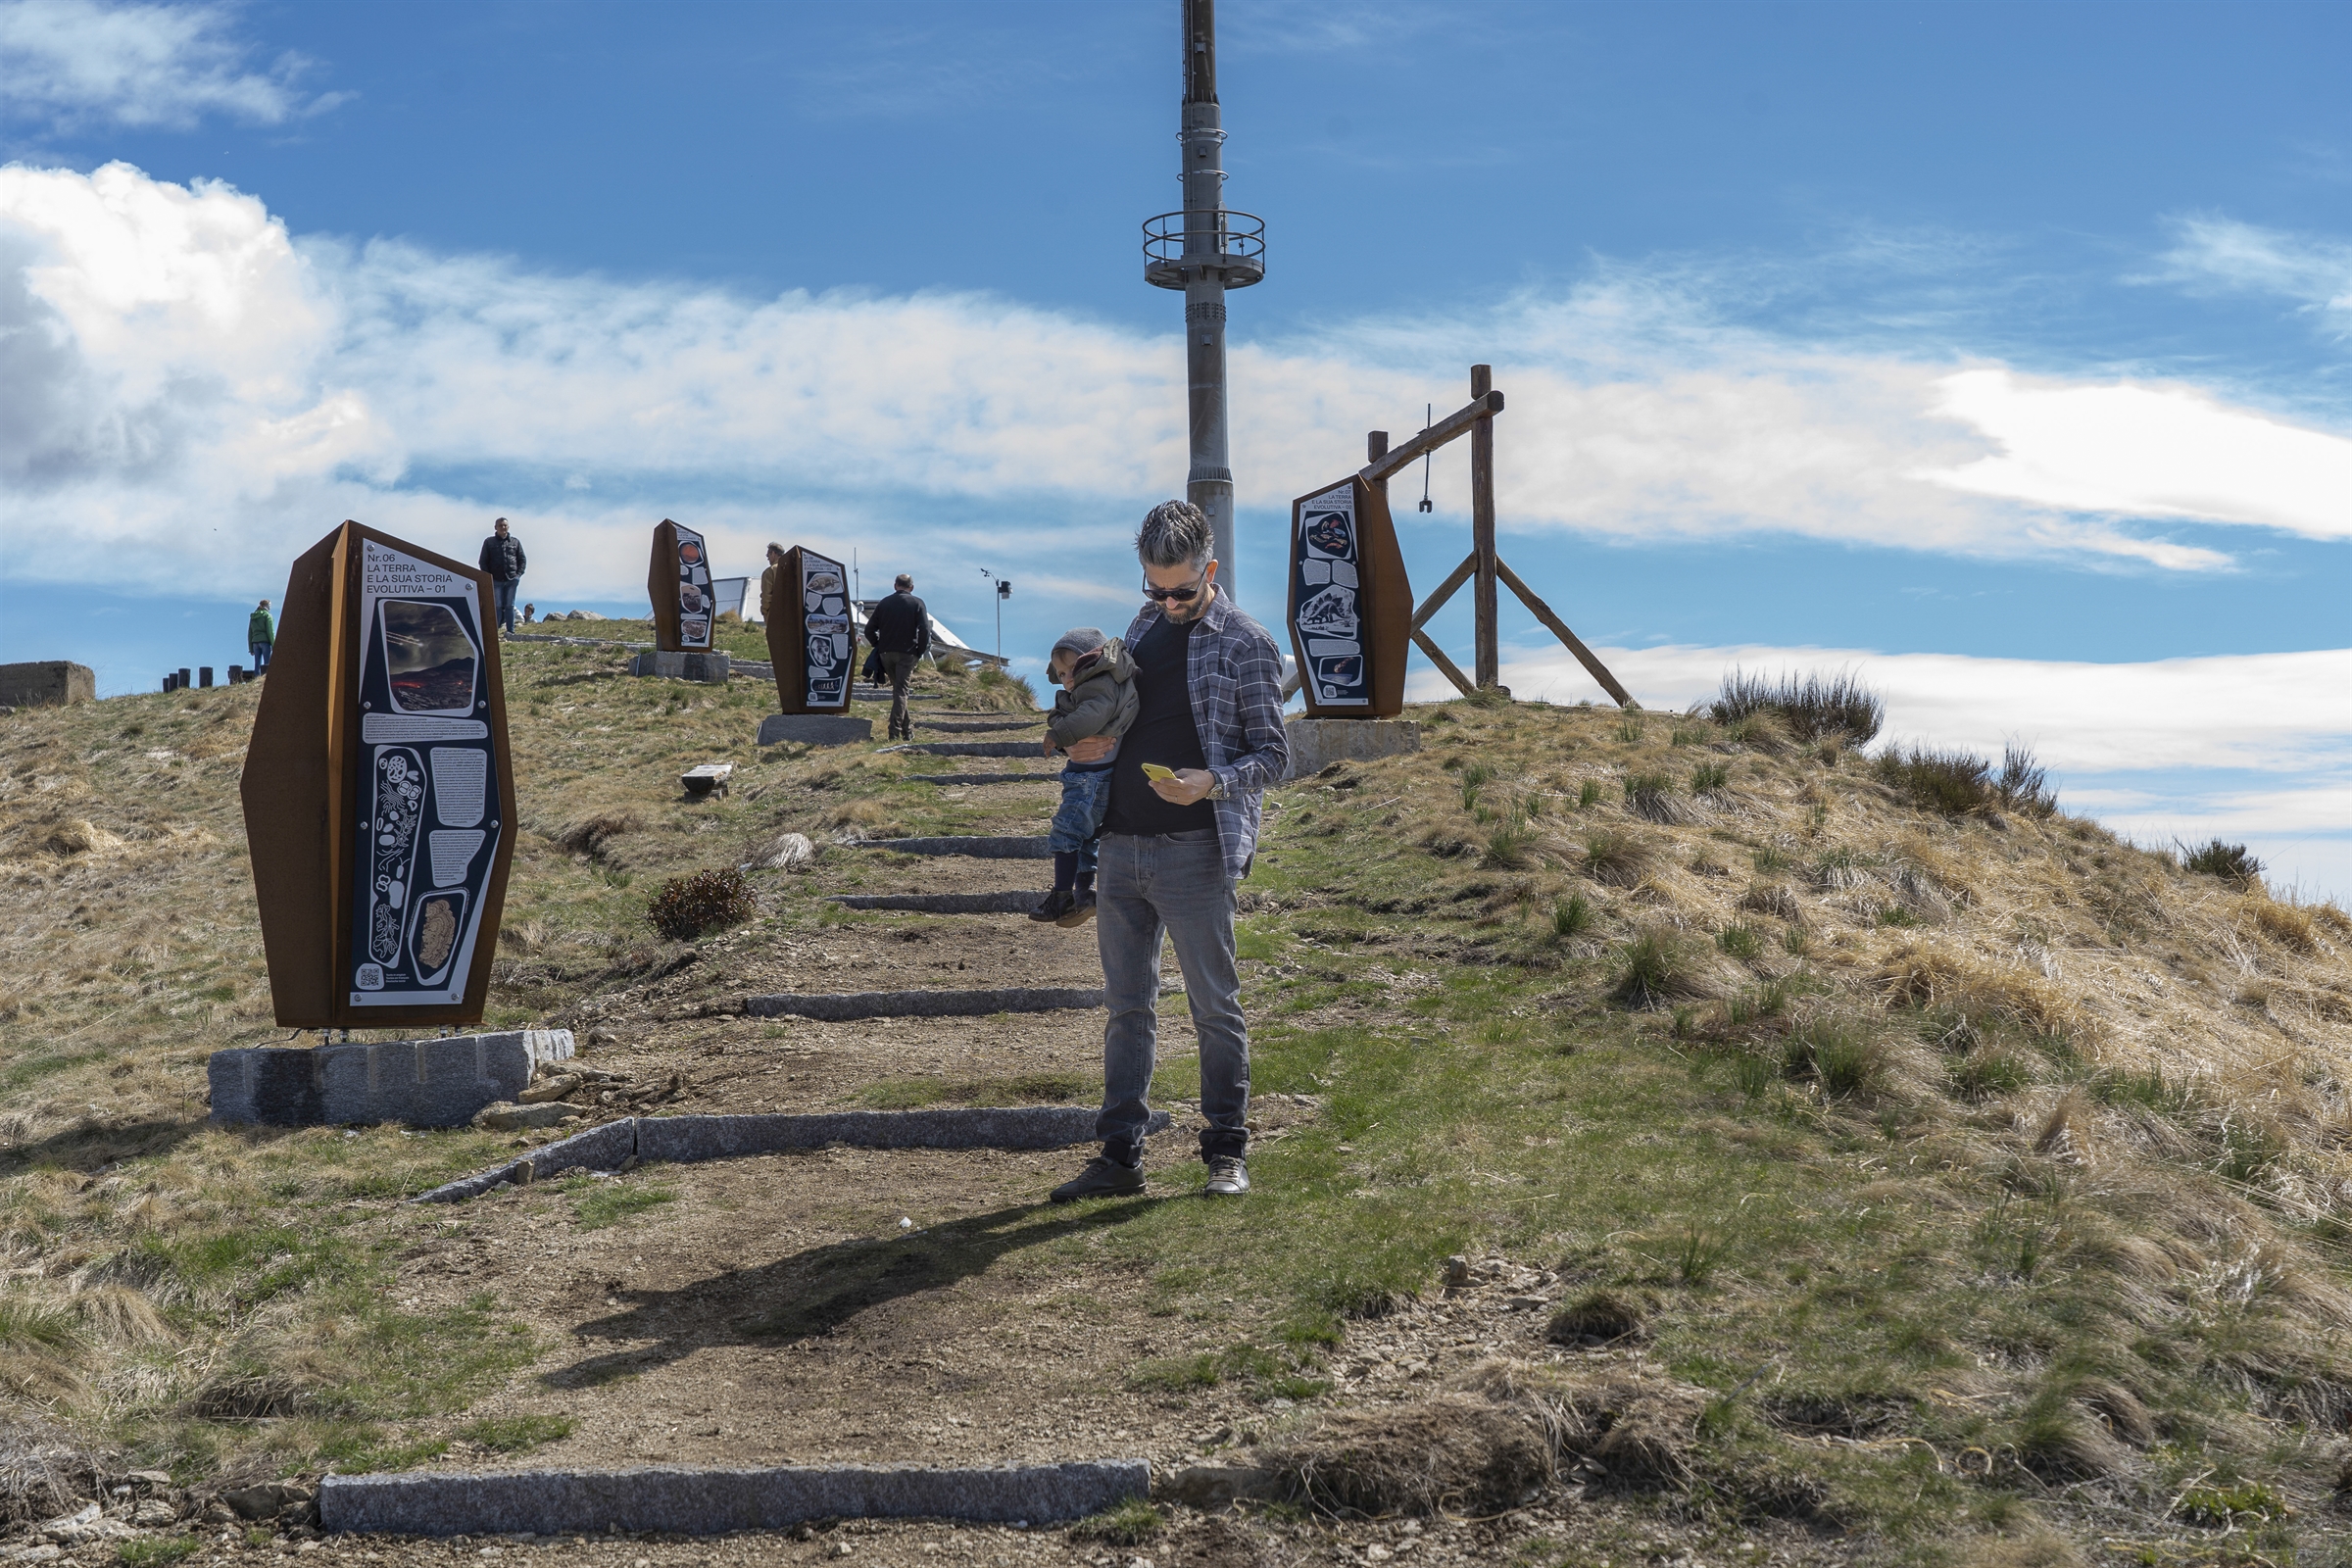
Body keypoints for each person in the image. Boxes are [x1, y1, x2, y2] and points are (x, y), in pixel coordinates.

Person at [1051, 501, 1288, 1203]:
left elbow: (1276, 755)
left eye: (1180, 591)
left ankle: (1226, 1152)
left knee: (1214, 1006)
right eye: (1153, 590)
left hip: (1197, 850)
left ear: (1210, 571)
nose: (1166, 603)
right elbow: (1119, 712)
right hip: (1121, 845)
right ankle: (1120, 1156)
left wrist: (1212, 782)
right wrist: (1090, 745)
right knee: (1127, 1008)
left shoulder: (1247, 642)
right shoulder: (1141, 627)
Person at [1032, 627, 1139, 928]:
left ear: (1091, 661)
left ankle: (1062, 897)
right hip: (1088, 777)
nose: (1067, 678)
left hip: (1091, 779)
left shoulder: (1100, 685)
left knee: (1066, 833)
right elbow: (1062, 711)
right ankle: (1083, 893)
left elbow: (1091, 715)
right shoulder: (1088, 687)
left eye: (1071, 669)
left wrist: (1058, 734)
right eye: (1060, 673)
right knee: (1085, 839)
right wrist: (1060, 725)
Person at [862, 573, 931, 741]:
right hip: (907, 653)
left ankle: (907, 731)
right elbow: (924, 630)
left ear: (895, 586)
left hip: (886, 653)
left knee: (898, 691)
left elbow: (869, 630)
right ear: (911, 587)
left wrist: (878, 645)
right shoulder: (917, 603)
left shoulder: (884, 603)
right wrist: (919, 651)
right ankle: (894, 732)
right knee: (901, 692)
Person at [478, 517, 527, 635]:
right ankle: (494, 633)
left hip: (512, 579)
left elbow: (522, 560)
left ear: (508, 527)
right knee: (497, 606)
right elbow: (483, 561)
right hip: (495, 580)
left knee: (510, 605)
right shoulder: (489, 542)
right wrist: (488, 577)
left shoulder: (515, 542)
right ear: (495, 527)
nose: (503, 527)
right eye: (500, 525)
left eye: (505, 525)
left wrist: (518, 575)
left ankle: (510, 631)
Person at [759, 542, 786, 624]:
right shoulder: (793, 569)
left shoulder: (770, 571)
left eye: (768, 555)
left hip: (775, 613)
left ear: (773, 553)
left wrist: (764, 611)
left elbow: (766, 595)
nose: (768, 558)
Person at [247, 599, 274, 674]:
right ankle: (266, 677)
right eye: (269, 605)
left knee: (257, 663)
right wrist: (274, 645)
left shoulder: (253, 617)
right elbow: (270, 632)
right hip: (265, 642)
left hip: (255, 642)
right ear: (267, 606)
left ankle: (257, 678)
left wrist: (250, 648)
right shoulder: (267, 615)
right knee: (267, 663)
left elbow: (250, 633)